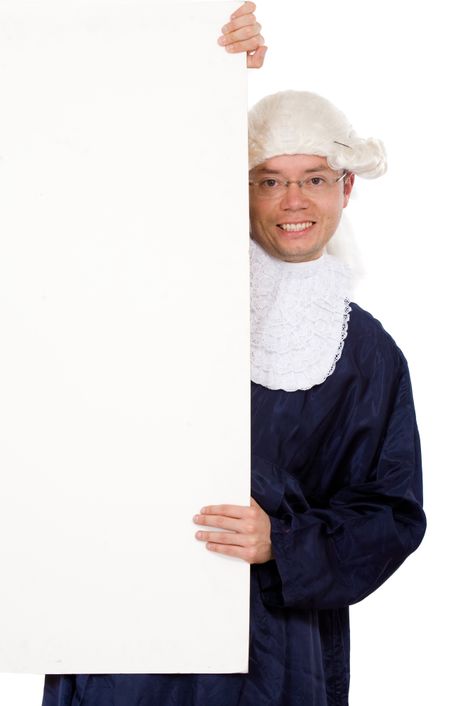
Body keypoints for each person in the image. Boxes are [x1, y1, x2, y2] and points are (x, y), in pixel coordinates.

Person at [42, 3, 426, 706]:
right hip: (128, 634)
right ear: (240, 188)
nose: (291, 201)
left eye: (313, 178)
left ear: (346, 188)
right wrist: (209, 80)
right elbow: (107, 179)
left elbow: (392, 515)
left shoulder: (370, 354)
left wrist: (284, 541)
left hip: (277, 655)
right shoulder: (161, 294)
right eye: (268, 179)